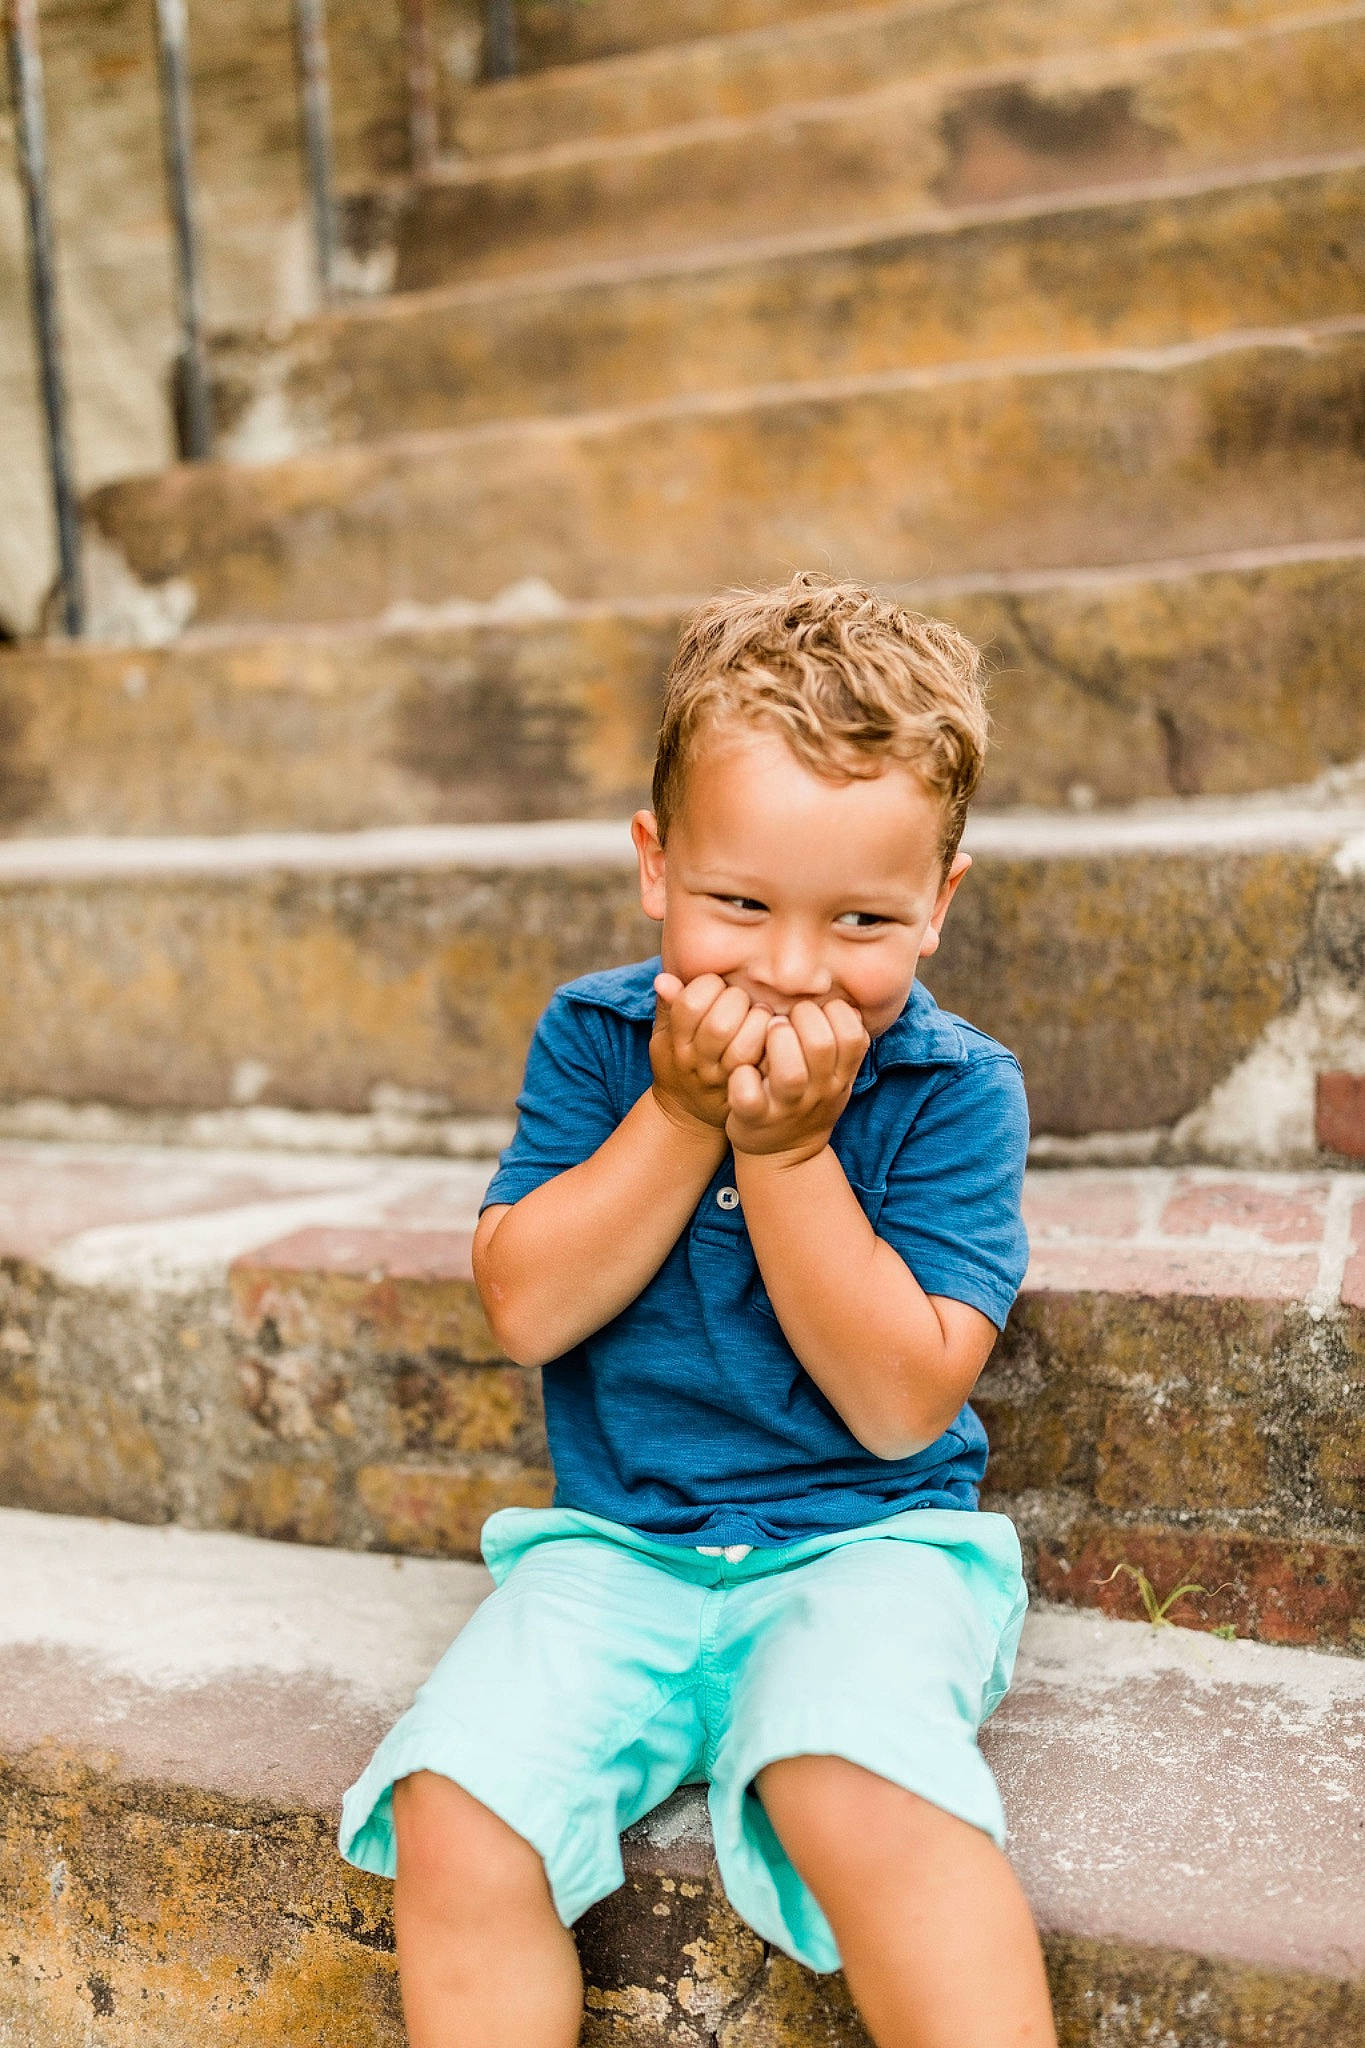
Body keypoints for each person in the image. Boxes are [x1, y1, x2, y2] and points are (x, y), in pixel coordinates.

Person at [338, 572, 1058, 2047]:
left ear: (939, 903)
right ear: (656, 865)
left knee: (849, 1779)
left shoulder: (956, 1091)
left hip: (873, 1547)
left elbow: (900, 1400)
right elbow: (526, 1309)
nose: (792, 970)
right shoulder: (599, 1041)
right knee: (455, 1809)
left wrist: (787, 1151)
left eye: (860, 917)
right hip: (614, 1552)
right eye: (741, 905)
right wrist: (678, 1114)